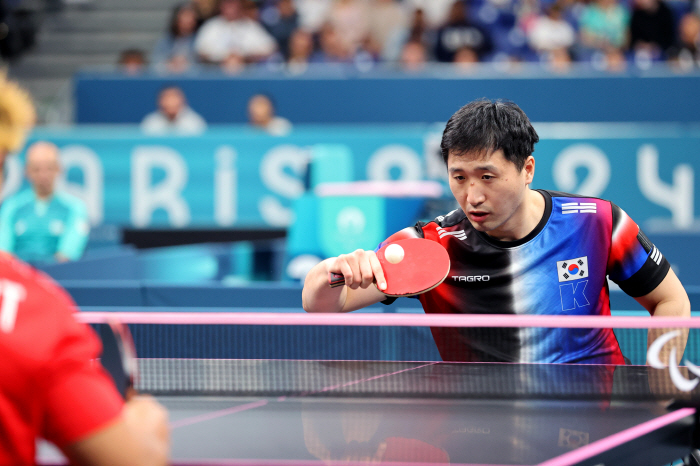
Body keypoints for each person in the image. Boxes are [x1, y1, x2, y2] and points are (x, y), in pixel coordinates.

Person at [302, 99, 690, 365]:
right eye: (459, 177)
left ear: (527, 170)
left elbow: (670, 301)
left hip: (597, 419)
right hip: (483, 426)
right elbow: (321, 305)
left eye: (488, 177)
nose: (473, 196)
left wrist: (657, 387)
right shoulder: (428, 246)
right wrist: (332, 269)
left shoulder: (596, 222)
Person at [0, 75, 170, 466]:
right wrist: (145, 418)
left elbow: (62, 255)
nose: (41, 173)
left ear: (57, 170)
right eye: (34, 167)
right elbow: (136, 461)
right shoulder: (36, 317)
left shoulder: (72, 208)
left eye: (48, 167)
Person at [0, 142, 89, 264]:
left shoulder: (75, 208)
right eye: (36, 169)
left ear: (59, 169)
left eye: (49, 168)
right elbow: (3, 253)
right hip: (17, 278)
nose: (43, 175)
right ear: (26, 171)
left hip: (57, 278)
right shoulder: (12, 206)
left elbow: (68, 255)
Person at [194, 0, 277, 66]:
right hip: (215, 72)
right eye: (228, 5)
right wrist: (224, 57)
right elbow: (200, 50)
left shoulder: (250, 26)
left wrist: (243, 57)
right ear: (221, 7)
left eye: (233, 5)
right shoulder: (211, 26)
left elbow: (270, 47)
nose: (231, 9)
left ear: (240, 7)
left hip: (247, 72)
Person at [151, 2, 202, 74]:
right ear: (177, 19)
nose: (188, 21)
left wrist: (186, 64)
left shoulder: (199, 40)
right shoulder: (166, 40)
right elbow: (156, 62)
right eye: (184, 16)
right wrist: (171, 63)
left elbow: (202, 66)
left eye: (191, 18)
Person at [141, 86, 207, 135]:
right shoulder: (150, 122)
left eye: (174, 97)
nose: (170, 102)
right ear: (159, 102)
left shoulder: (195, 122)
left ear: (183, 100)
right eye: (166, 98)